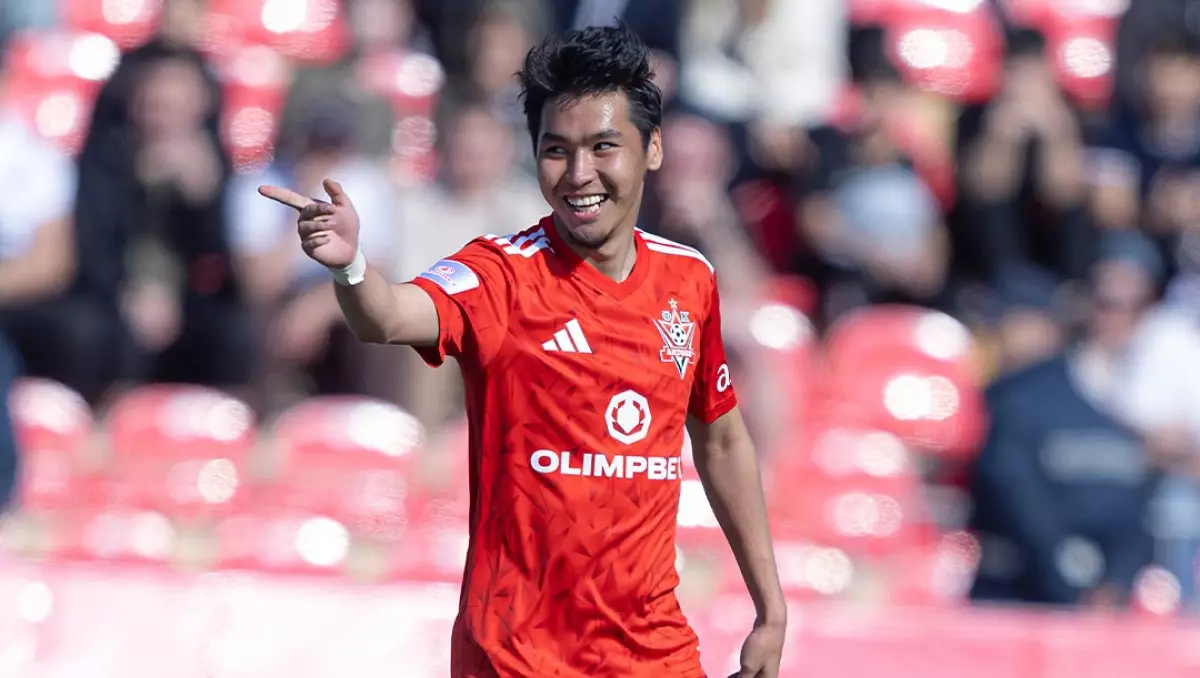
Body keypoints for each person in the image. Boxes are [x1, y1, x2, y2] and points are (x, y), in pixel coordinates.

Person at [260, 24, 786, 678]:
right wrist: (350, 267)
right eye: (556, 151)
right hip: (516, 656)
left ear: (652, 149)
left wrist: (771, 609)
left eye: (603, 147)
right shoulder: (498, 274)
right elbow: (388, 317)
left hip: (653, 654)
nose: (579, 174)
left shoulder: (689, 280)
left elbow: (723, 441)